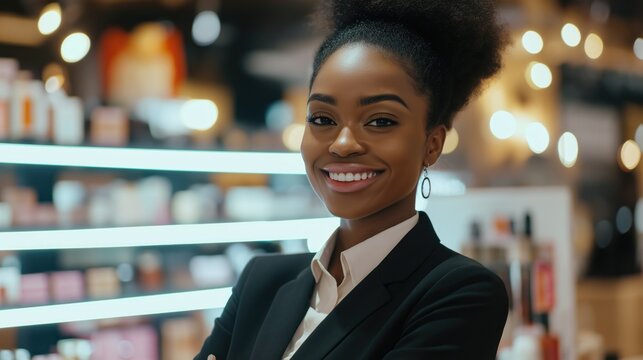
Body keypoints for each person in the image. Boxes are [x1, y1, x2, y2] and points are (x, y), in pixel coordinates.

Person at [195, 0, 508, 359]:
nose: (343, 144)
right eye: (322, 119)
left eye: (380, 121)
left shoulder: (459, 293)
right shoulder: (261, 281)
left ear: (432, 144)